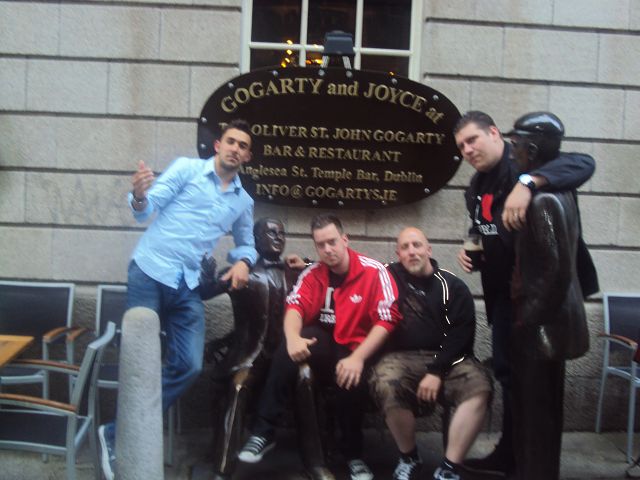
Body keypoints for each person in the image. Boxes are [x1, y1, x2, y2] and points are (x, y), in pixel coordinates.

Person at [97, 119, 258, 480]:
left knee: (189, 365)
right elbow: (145, 209)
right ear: (218, 145)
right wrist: (140, 195)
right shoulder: (187, 169)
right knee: (140, 358)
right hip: (150, 272)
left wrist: (244, 262)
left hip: (187, 285)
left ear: (247, 156)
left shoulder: (242, 201)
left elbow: (246, 243)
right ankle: (125, 439)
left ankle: (118, 430)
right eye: (231, 141)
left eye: (243, 145)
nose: (235, 148)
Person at [454, 111, 596, 475]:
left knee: (534, 391)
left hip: (533, 301)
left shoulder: (524, 167)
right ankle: (511, 453)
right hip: (504, 295)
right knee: (509, 377)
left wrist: (529, 181)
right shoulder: (478, 184)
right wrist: (475, 250)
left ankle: (528, 463)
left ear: (494, 133)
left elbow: (583, 163)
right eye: (461, 146)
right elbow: (486, 227)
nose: (467, 150)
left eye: (472, 140)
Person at [237, 213, 401, 480]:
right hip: (323, 342)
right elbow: (295, 306)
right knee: (291, 344)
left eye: (332, 242)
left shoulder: (373, 271)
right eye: (321, 244)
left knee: (350, 379)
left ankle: (353, 455)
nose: (327, 249)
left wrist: (358, 358)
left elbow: (387, 320)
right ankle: (263, 433)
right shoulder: (313, 273)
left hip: (357, 345)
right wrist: (293, 338)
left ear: (345, 240)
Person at [200, 218, 333, 480]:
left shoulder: (297, 272)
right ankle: (223, 469)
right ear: (256, 238)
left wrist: (307, 262)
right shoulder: (242, 272)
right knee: (239, 386)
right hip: (252, 357)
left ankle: (315, 463)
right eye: (271, 233)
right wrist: (206, 276)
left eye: (281, 233)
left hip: (288, 356)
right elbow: (206, 292)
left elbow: (330, 268)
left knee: (306, 378)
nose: (278, 238)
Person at [370, 227, 492, 480]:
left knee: (480, 385)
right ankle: (409, 458)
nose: (412, 251)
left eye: (417, 245)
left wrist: (437, 371)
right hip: (400, 359)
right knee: (386, 381)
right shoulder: (388, 276)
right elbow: (348, 266)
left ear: (429, 249)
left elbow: (461, 335)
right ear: (398, 254)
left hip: (450, 358)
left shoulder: (452, 286)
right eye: (405, 247)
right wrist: (305, 263)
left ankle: (449, 467)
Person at [506, 112, 590, 479]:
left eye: (516, 145)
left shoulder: (542, 201)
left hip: (542, 327)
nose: (513, 152)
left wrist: (527, 319)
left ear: (533, 148)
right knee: (544, 413)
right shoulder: (560, 191)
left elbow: (556, 272)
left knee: (537, 416)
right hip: (550, 323)